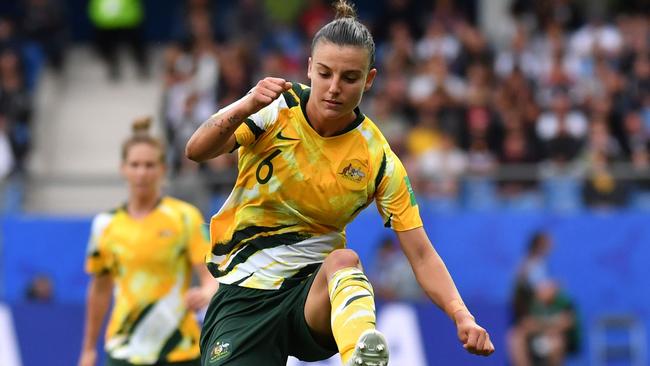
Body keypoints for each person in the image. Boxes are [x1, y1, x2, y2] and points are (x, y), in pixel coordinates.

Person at [185, 1, 494, 365]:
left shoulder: (377, 158)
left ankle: (360, 355)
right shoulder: (275, 107)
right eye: (326, 73)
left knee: (344, 260)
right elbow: (196, 150)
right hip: (243, 292)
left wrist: (462, 315)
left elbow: (422, 254)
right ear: (310, 68)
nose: (334, 88)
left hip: (312, 297)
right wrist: (245, 105)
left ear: (369, 79)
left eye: (350, 78)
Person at [79, 117, 217, 366]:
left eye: (149, 165)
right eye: (135, 164)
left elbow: (211, 277)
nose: (142, 173)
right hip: (124, 351)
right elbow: (100, 289)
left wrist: (206, 292)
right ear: (123, 168)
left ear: (162, 169)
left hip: (179, 351)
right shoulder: (105, 224)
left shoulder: (185, 217)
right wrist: (88, 349)